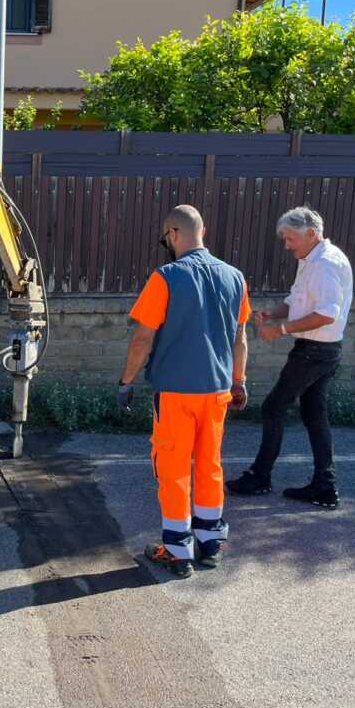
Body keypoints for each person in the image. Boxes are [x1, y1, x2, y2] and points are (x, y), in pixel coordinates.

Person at [117, 205, 250, 578]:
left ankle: (177, 551)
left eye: (166, 239)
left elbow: (143, 339)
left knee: (173, 468)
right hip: (218, 391)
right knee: (210, 464)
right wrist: (239, 380)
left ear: (173, 233)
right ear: (202, 230)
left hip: (176, 392)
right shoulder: (235, 277)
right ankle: (211, 541)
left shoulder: (166, 277)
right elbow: (240, 338)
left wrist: (126, 381)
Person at [225, 207, 353, 510]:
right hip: (323, 350)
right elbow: (298, 300)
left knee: (273, 407)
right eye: (284, 238)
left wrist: (280, 329)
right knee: (314, 414)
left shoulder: (324, 263)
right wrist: (274, 313)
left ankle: (260, 476)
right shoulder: (313, 259)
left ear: (311, 233)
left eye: (290, 238)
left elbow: (327, 313)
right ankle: (325, 486)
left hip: (314, 351)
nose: (286, 245)